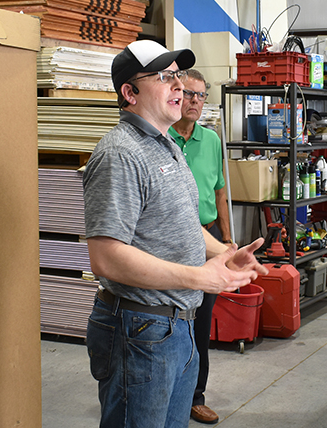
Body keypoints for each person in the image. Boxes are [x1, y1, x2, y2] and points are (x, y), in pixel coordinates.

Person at [83, 40, 267, 428]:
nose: (178, 87)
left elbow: (182, 222)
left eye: (177, 76)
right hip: (139, 328)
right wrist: (200, 276)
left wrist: (223, 252)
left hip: (178, 324)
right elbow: (106, 256)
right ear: (129, 93)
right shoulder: (120, 153)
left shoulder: (167, 145)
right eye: (163, 77)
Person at [167, 69, 230, 424]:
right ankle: (165, 390)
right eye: (188, 94)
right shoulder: (162, 138)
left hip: (207, 238)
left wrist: (227, 239)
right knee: (170, 321)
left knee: (200, 323)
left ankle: (195, 396)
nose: (194, 101)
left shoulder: (211, 140)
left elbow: (219, 193)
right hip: (170, 240)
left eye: (200, 95)